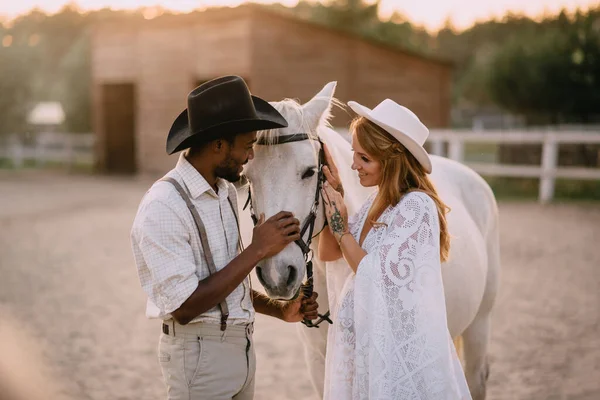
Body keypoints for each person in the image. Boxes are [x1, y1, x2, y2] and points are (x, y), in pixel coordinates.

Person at [130, 76, 320, 400]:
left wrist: (280, 311)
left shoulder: (225, 193)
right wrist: (258, 249)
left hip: (241, 351)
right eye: (247, 146)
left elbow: (226, 282)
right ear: (219, 145)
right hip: (199, 357)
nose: (249, 158)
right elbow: (185, 306)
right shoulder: (163, 206)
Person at [318, 99, 471, 399]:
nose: (353, 165)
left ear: (390, 159)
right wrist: (334, 202)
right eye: (354, 154)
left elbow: (376, 275)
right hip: (364, 352)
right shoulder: (371, 207)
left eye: (364, 158)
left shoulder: (415, 207)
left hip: (392, 356)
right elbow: (329, 253)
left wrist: (341, 228)